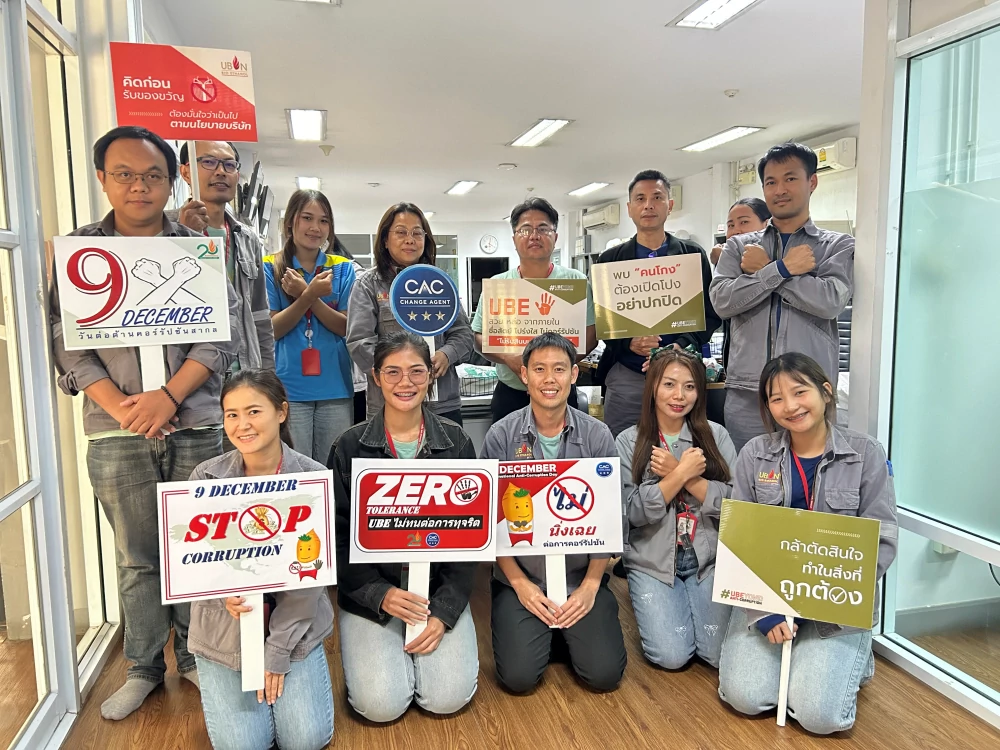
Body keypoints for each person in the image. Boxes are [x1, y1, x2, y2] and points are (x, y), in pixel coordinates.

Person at [49, 126, 240, 720]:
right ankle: (143, 668)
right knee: (137, 557)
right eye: (125, 174)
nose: (140, 186)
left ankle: (199, 657)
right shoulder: (80, 254)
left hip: (196, 424)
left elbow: (221, 333)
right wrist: (123, 406)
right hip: (116, 431)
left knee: (201, 551)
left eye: (153, 175)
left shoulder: (197, 248)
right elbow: (66, 341)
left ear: (171, 181)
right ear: (102, 179)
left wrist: (168, 397)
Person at [715, 353, 897, 735]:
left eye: (800, 392)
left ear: (826, 392)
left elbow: (882, 538)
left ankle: (855, 657)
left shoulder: (866, 454)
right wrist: (763, 613)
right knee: (745, 697)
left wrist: (820, 595)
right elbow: (738, 539)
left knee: (818, 717)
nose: (790, 406)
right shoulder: (754, 454)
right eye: (776, 398)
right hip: (768, 598)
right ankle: (806, 657)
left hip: (834, 605)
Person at [329, 332, 479, 722]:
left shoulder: (457, 443)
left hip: (435, 590)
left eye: (416, 371)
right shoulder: (348, 447)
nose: (405, 382)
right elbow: (337, 539)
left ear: (431, 375)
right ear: (376, 377)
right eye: (392, 372)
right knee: (381, 706)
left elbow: (471, 540)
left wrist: (444, 610)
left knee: (447, 698)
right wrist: (379, 594)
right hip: (371, 594)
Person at [188, 370, 334, 750]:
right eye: (232, 414)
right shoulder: (205, 477)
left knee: (305, 740)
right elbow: (194, 563)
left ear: (281, 412)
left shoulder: (313, 477)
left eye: (254, 411)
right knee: (243, 745)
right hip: (225, 630)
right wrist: (223, 593)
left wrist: (278, 652)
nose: (242, 425)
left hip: (294, 625)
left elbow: (309, 575)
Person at [481, 332, 626, 693]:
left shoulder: (598, 436)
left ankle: (564, 632)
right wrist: (519, 584)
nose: (550, 379)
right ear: (524, 374)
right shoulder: (501, 436)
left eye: (559, 369)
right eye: (539, 369)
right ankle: (545, 631)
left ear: (574, 374)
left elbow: (610, 520)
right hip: (522, 578)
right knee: (518, 679)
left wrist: (591, 585)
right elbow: (490, 525)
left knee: (604, 676)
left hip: (580, 575)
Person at [709, 143, 854, 452]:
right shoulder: (739, 247)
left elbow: (830, 300)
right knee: (750, 476)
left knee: (812, 476)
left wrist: (767, 270)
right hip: (748, 394)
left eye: (790, 179)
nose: (780, 190)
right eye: (771, 182)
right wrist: (782, 269)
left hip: (809, 393)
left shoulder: (836, 246)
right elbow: (722, 301)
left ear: (811, 182)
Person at [616, 348, 736, 670]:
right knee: (671, 656)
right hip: (651, 561)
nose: (679, 396)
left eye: (689, 386)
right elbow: (631, 513)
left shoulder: (716, 435)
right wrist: (680, 474)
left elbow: (735, 506)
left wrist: (686, 477)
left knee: (717, 654)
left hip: (707, 560)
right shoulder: (628, 441)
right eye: (669, 384)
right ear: (653, 386)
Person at [595, 170, 721, 438]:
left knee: (681, 444)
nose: (648, 205)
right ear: (629, 208)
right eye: (640, 199)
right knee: (623, 444)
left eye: (657, 197)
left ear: (670, 205)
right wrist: (628, 342)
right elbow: (604, 322)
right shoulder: (610, 260)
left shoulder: (692, 255)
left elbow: (709, 315)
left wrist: (682, 345)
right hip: (628, 375)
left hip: (680, 373)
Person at [471, 197, 597, 423]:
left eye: (543, 229)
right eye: (526, 229)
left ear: (555, 237)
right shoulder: (499, 285)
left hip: (560, 391)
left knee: (566, 445)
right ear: (514, 238)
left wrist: (553, 368)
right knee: (507, 445)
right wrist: (507, 358)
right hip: (511, 392)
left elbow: (590, 337)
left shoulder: (575, 282)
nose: (534, 235)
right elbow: (479, 337)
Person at [347, 203, 473, 425]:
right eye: (401, 232)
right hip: (389, 405)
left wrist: (447, 354)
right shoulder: (368, 285)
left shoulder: (440, 282)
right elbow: (359, 342)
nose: (410, 239)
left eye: (417, 233)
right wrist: (398, 372)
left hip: (442, 405)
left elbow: (463, 334)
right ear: (385, 240)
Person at [264, 190, 356, 462]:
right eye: (307, 218)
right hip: (288, 389)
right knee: (295, 467)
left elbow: (345, 327)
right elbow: (272, 330)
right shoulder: (270, 267)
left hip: (335, 387)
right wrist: (309, 295)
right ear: (290, 222)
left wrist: (307, 294)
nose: (316, 227)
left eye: (324, 220)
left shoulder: (342, 268)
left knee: (333, 467)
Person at [172, 141, 275, 380]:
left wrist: (268, 377)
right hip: (189, 379)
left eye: (229, 165)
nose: (220, 171)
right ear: (186, 172)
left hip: (245, 373)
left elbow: (260, 316)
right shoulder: (164, 231)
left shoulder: (247, 237)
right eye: (209, 162)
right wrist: (185, 237)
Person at [709, 198, 772, 369]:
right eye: (730, 225)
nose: (735, 231)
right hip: (737, 357)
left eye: (744, 222)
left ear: (767, 224)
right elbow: (720, 305)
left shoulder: (782, 259)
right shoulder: (726, 261)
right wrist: (721, 263)